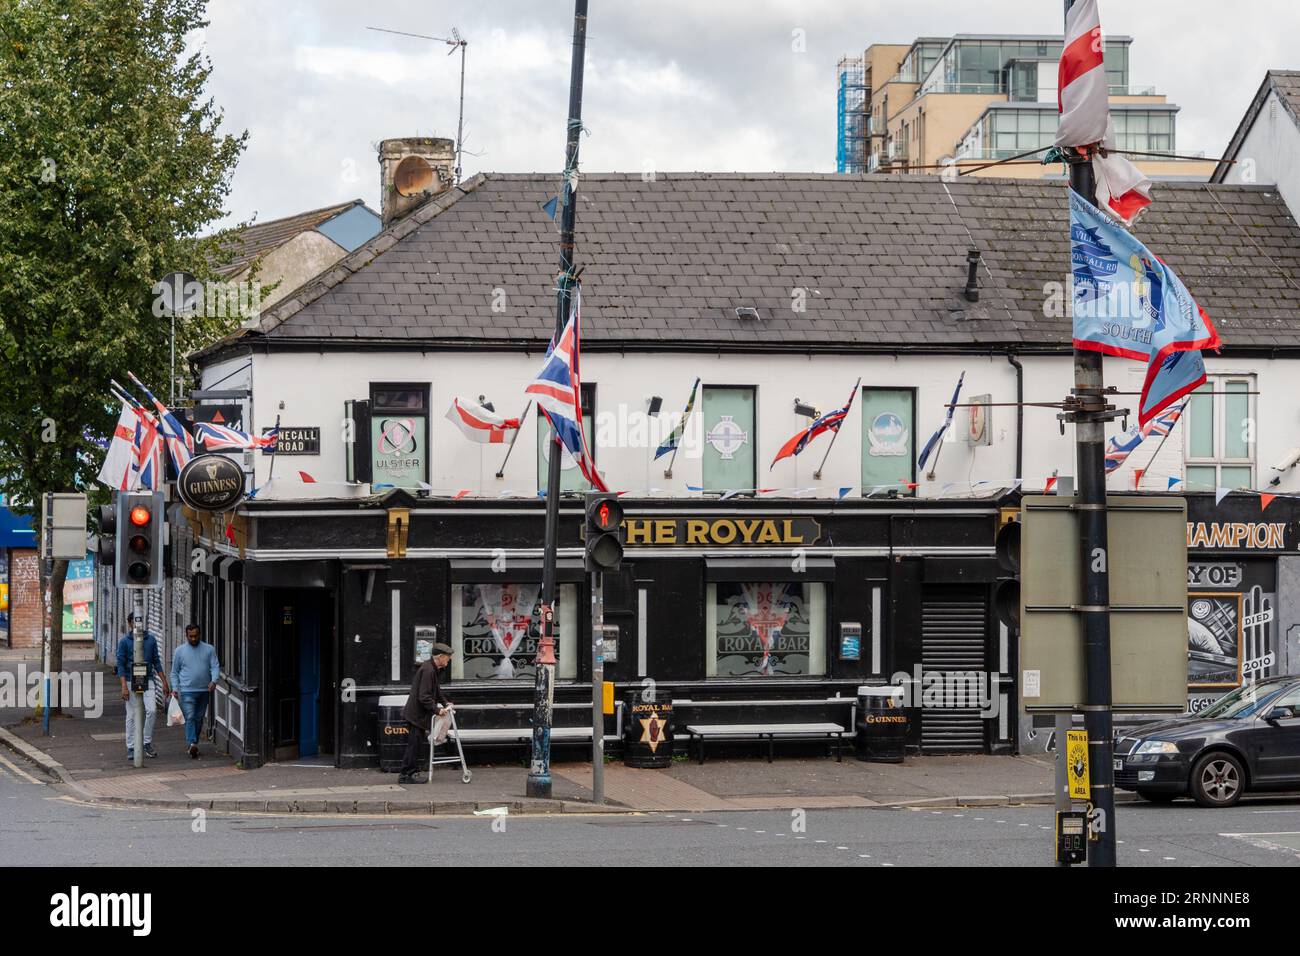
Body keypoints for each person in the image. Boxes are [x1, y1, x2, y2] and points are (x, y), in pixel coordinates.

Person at [116, 613, 170, 760]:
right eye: (134, 623)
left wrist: (164, 681)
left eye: (139, 623)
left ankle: (146, 743)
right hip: (129, 679)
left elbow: (156, 661)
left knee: (152, 710)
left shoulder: (151, 640)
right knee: (132, 715)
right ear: (129, 623)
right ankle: (131, 746)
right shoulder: (124, 642)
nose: (137, 626)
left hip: (148, 679)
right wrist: (123, 687)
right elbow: (120, 665)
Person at [398, 642, 454, 784]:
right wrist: (437, 709)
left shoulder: (432, 668)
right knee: (414, 745)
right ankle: (406, 775)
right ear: (440, 657)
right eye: (447, 657)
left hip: (417, 715)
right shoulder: (429, 670)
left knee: (415, 744)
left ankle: (411, 772)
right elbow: (424, 696)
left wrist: (445, 702)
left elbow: (436, 689)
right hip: (416, 715)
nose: (449, 660)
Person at [169, 623, 219, 758]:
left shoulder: (209, 649)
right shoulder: (179, 651)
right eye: (190, 636)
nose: (193, 639)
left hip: (204, 690)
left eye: (195, 636)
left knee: (199, 718)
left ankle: (194, 743)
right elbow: (174, 672)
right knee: (190, 716)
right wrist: (175, 688)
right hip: (187, 690)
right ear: (186, 636)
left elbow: (215, 666)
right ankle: (192, 743)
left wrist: (214, 680)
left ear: (200, 635)